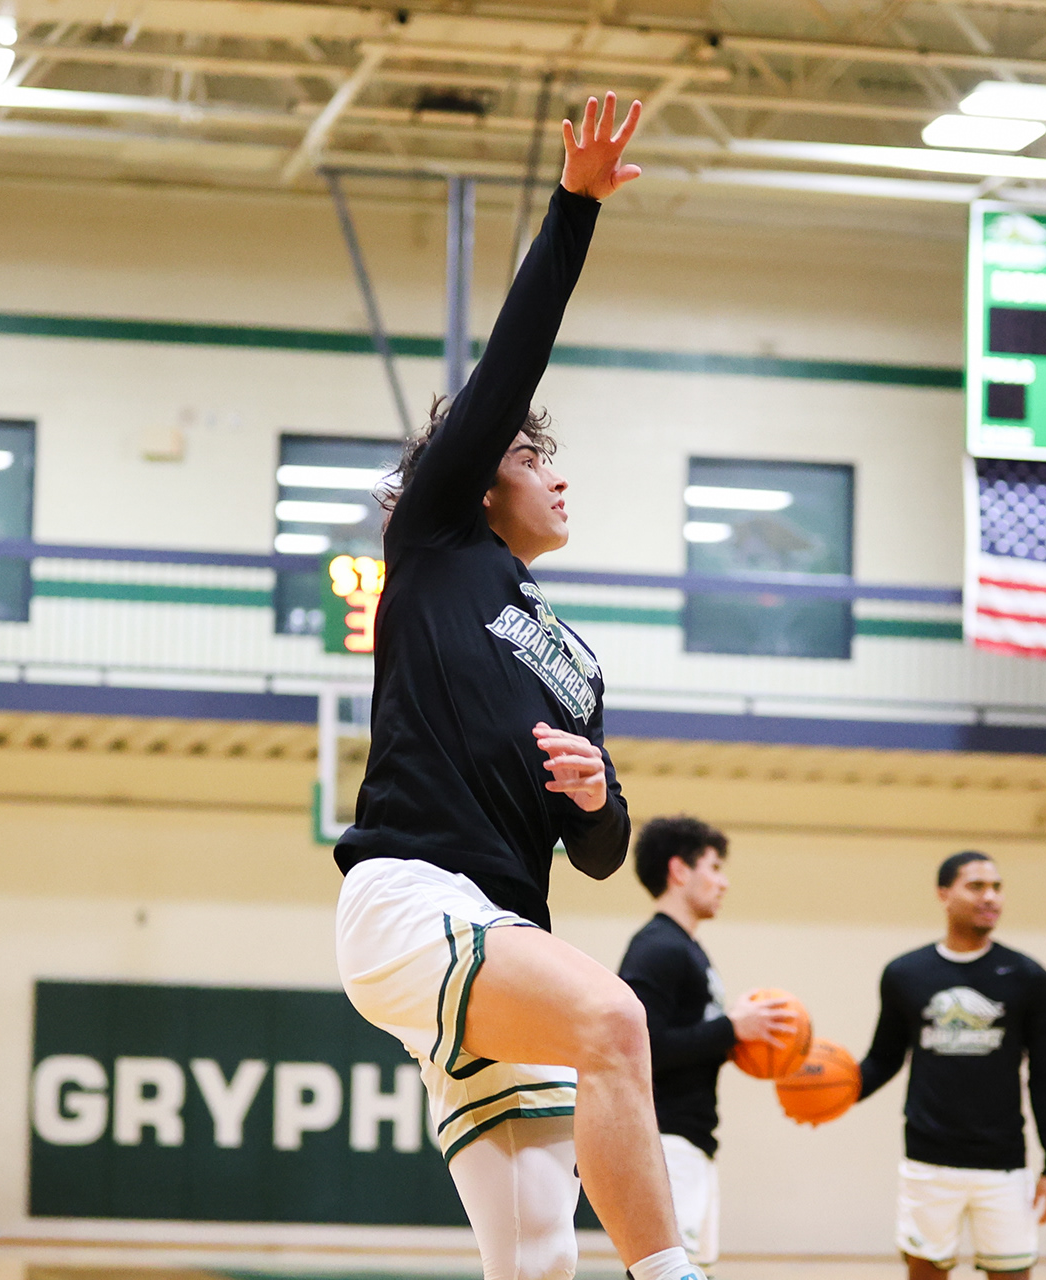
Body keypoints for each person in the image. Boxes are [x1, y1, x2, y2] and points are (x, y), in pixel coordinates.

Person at [330, 93, 689, 1280]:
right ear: (480, 476)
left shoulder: (575, 657)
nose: (559, 479)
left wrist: (594, 798)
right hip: (410, 902)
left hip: (502, 932)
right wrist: (574, 209)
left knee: (537, 1261)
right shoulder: (436, 545)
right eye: (536, 457)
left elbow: (606, 849)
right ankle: (675, 1271)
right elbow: (510, 360)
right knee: (617, 1018)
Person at [854, 850, 1046, 1279]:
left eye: (997, 887)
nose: (991, 897)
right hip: (929, 1163)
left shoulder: (1029, 978)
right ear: (943, 894)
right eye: (976, 886)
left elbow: (1045, 1078)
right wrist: (831, 1092)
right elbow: (883, 1059)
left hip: (1003, 1164)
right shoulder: (905, 974)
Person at [617, 816, 797, 1274]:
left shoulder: (687, 949)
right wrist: (731, 1029)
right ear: (680, 871)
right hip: (664, 1141)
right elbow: (637, 1047)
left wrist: (735, 1039)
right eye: (715, 868)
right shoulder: (658, 947)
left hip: (688, 1141)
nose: (724, 882)